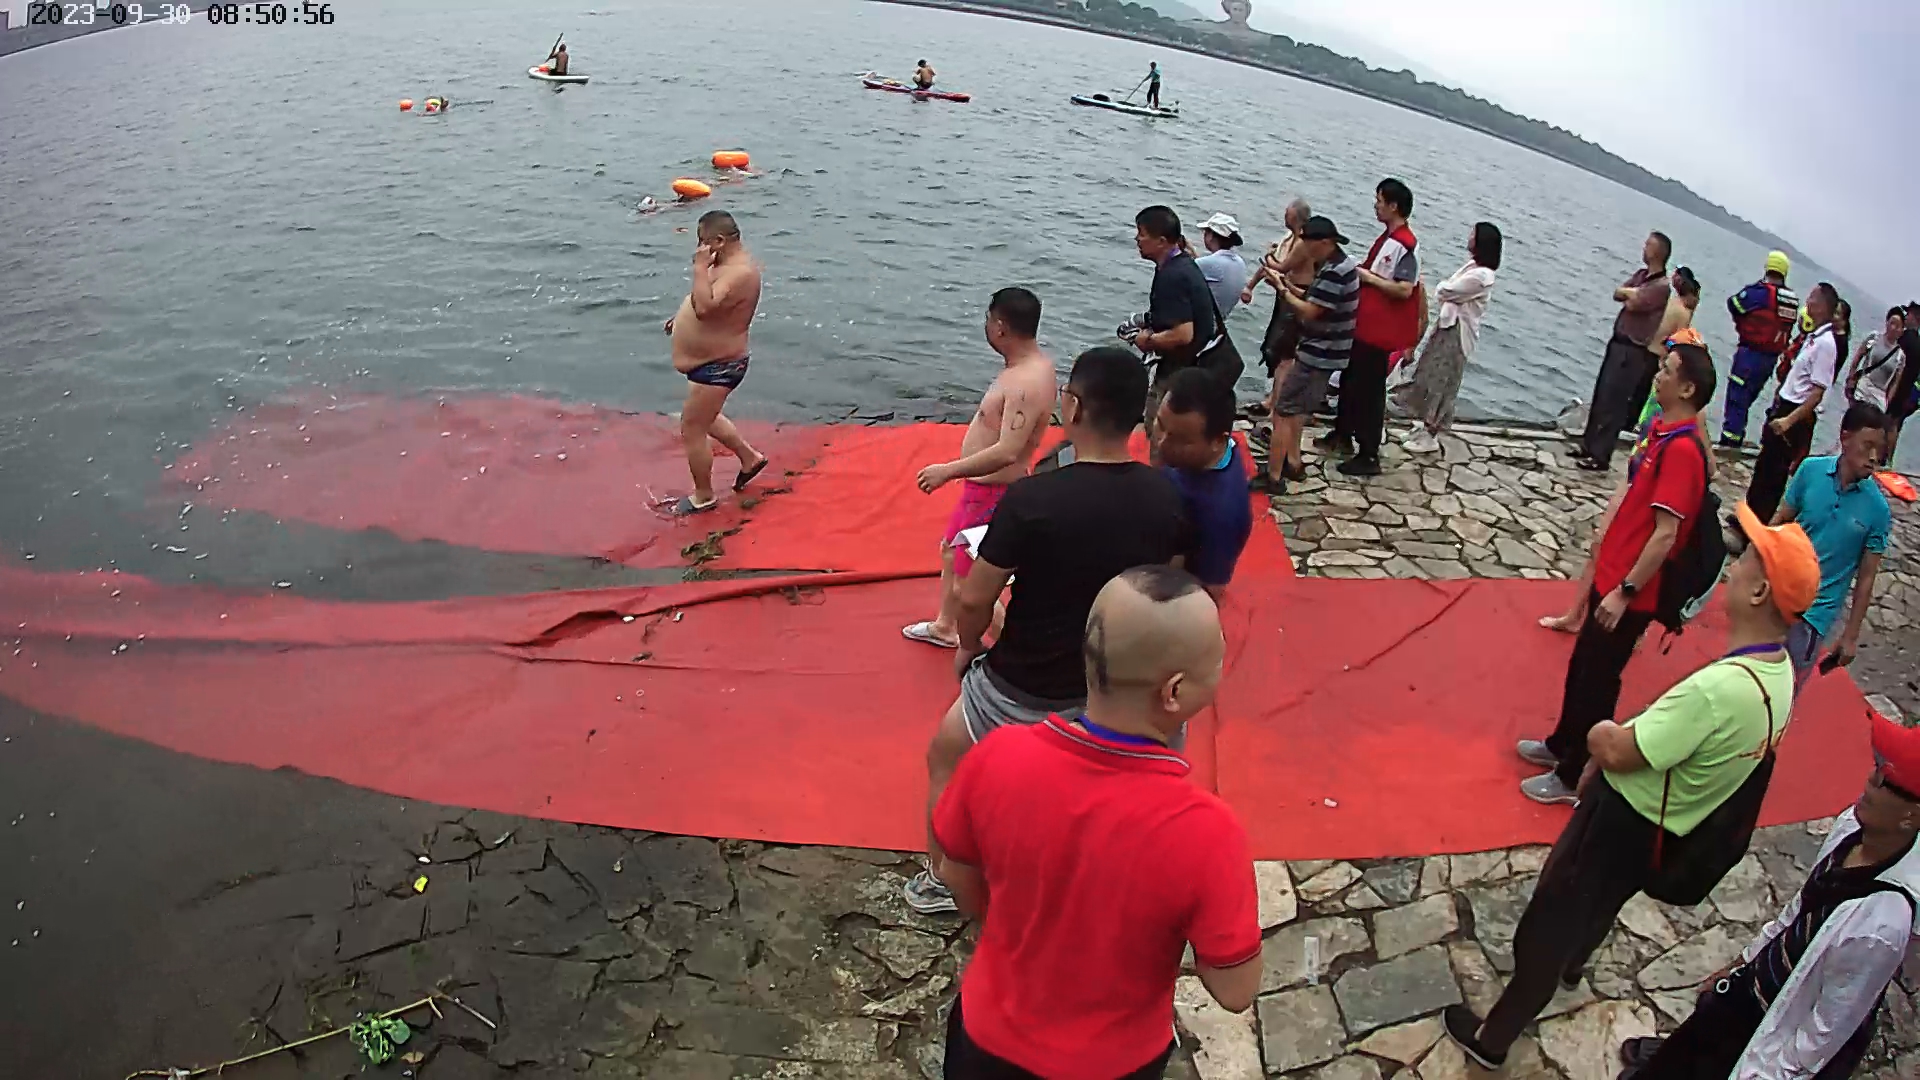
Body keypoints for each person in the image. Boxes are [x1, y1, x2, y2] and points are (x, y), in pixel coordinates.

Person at [1448, 500, 1816, 1072]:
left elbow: (1620, 749)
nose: (1733, 566)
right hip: (1664, 829)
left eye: (1745, 560)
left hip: (1621, 819)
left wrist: (1598, 732)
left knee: (1551, 921)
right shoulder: (1780, 676)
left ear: (1760, 592)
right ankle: (1574, 965)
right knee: (1602, 904)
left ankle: (1493, 1038)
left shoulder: (1721, 689)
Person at [932, 566, 1262, 1078]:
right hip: (1113, 1062)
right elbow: (1235, 990)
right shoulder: (1207, 833)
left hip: (986, 1039)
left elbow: (955, 873)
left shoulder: (996, 756)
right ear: (1174, 692)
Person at [906, 347, 1191, 915]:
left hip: (1026, 689)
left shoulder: (1033, 499)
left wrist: (968, 648)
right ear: (1138, 415)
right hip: (1115, 688)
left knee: (946, 758)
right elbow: (1172, 587)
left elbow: (973, 596)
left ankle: (943, 880)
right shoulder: (1167, 497)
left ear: (1074, 407)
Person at [1615, 711, 1920, 1080]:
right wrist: (1745, 961)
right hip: (1750, 992)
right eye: (1876, 767)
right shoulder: (1851, 828)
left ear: (1910, 815)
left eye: (1885, 779)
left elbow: (1825, 1031)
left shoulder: (1882, 925)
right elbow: (1801, 907)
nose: (1870, 780)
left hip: (1774, 1027)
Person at [1517, 342, 1717, 804]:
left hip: (1632, 590)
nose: (1658, 376)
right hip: (1613, 573)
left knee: (1599, 679)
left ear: (1688, 388)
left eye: (1667, 371)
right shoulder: (1662, 432)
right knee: (1583, 665)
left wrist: (1626, 591)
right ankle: (1561, 742)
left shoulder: (1683, 450)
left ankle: (1574, 774)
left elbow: (1665, 534)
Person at [903, 288, 1058, 649]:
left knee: (971, 585)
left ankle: (1017, 655)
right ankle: (946, 626)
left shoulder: (1025, 383)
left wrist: (948, 470)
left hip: (994, 493)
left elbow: (1008, 451)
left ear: (1000, 326)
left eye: (988, 320)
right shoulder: (1025, 368)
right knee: (949, 550)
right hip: (979, 490)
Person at [1540, 328, 1720, 635]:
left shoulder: (1689, 417)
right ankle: (1576, 613)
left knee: (1638, 556)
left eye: (1669, 362)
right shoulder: (1658, 399)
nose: (1661, 367)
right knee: (1600, 542)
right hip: (1635, 474)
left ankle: (1630, 627)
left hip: (1652, 489)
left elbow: (1708, 465)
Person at [1772, 401, 1892, 683]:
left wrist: (1850, 636)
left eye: (1879, 450)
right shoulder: (1810, 470)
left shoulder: (1878, 511)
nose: (1873, 457)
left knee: (1784, 691)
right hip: (1777, 597)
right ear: (1845, 438)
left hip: (1814, 618)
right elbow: (1779, 523)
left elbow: (1866, 578)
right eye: (1867, 446)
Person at [662, 211, 770, 515]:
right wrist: (680, 318)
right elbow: (706, 302)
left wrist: (698, 268)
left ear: (719, 241)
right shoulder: (724, 266)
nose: (699, 248)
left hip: (720, 365)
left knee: (692, 428)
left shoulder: (740, 272)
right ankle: (750, 458)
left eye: (702, 241)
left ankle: (704, 495)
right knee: (705, 417)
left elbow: (706, 308)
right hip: (709, 362)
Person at [1321, 178, 1421, 477]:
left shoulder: (1405, 245)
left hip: (1378, 330)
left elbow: (1405, 289)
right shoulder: (1389, 239)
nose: (1376, 206)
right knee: (1350, 380)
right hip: (1365, 322)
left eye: (1379, 200)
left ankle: (1368, 452)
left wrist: (1367, 278)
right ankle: (1342, 432)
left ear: (1393, 206)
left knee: (1369, 390)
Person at [1252, 217, 1359, 495]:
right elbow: (1314, 298)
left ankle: (1273, 476)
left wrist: (1282, 289)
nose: (1306, 251)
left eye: (1309, 245)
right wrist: (1286, 284)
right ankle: (1293, 462)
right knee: (1298, 409)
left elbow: (1310, 311)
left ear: (1324, 242)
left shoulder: (1334, 272)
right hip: (1326, 351)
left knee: (1283, 410)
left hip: (1319, 352)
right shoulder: (1338, 265)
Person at [1395, 222, 1501, 453]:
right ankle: (1424, 425)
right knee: (1428, 374)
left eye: (1473, 234)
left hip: (1457, 333)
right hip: (1448, 328)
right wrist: (1447, 290)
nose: (1469, 237)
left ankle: (1431, 434)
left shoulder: (1481, 276)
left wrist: (1444, 288)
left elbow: (1448, 291)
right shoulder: (1473, 266)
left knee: (1442, 382)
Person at [1574, 232, 1672, 470]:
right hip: (1617, 342)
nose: (1643, 247)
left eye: (1648, 245)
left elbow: (1635, 303)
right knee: (1602, 394)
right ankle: (1588, 444)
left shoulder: (1661, 286)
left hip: (1633, 349)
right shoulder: (1641, 276)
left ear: (1658, 252)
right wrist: (1630, 293)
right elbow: (1619, 293)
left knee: (1616, 401)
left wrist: (1631, 294)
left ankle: (1600, 455)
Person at [1745, 282, 1840, 522]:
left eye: (1813, 298)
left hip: (1794, 413)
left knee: (1774, 473)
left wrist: (1789, 421)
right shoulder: (1812, 337)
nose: (1808, 302)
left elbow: (1817, 393)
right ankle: (1747, 514)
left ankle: (1758, 521)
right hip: (1784, 404)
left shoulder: (1826, 344)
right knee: (1764, 465)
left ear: (1822, 306)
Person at [1154, 368, 1252, 596]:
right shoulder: (1196, 453)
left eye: (1180, 439)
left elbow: (1210, 590)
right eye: (1160, 425)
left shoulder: (1222, 515)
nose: (1161, 443)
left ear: (1217, 441)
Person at [1125, 206, 1218, 432]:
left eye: (1142, 234)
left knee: (1158, 427)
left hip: (1182, 369)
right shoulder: (1181, 263)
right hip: (1200, 364)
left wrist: (1146, 341)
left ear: (1161, 241)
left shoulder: (1172, 276)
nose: (1137, 239)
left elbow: (1183, 334)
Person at [1720, 250, 1801, 449]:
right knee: (1747, 399)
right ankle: (1737, 436)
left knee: (1737, 398)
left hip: (1750, 354)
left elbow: (1734, 304)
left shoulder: (1761, 293)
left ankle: (1729, 442)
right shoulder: (1791, 300)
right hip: (1770, 359)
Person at [1628, 265, 1700, 431]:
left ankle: (1630, 423)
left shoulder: (1675, 306)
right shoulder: (1680, 309)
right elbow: (1677, 339)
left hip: (1651, 351)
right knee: (1640, 393)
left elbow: (1674, 337)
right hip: (1653, 353)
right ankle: (1633, 423)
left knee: (1638, 391)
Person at [1847, 307, 1908, 413]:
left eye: (1898, 326)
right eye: (1892, 323)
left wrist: (1888, 401)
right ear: (1886, 322)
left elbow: (1895, 383)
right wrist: (1851, 377)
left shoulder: (1900, 356)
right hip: (1863, 387)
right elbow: (1858, 357)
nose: (1893, 328)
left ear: (1902, 330)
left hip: (1879, 395)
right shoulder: (1874, 338)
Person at [1193, 213, 1249, 319]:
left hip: (1200, 325)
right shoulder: (1239, 262)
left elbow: (1181, 272)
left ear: (1211, 236)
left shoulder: (1208, 263)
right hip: (1218, 323)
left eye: (1206, 232)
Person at [1888, 303, 1920, 459]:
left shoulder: (1905, 338)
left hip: (1897, 388)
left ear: (1916, 318)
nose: (1906, 317)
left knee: (1889, 423)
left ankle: (1885, 457)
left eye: (1909, 315)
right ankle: (1888, 460)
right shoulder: (1918, 343)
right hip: (1908, 394)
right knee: (1896, 424)